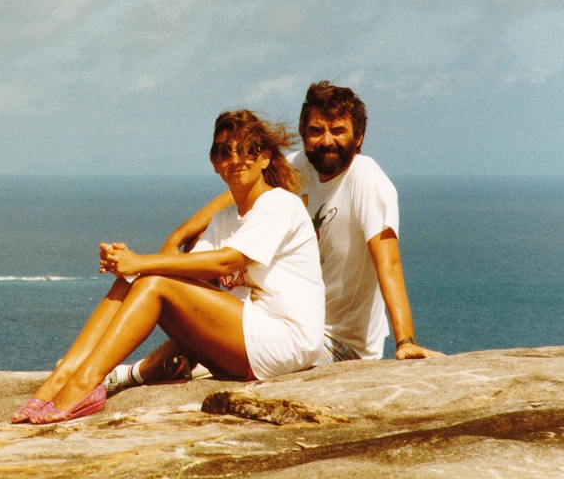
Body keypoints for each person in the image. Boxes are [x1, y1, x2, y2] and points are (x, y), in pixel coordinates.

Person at [113, 82, 441, 390]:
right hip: (284, 319)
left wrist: (405, 341)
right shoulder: (301, 166)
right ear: (304, 134)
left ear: (358, 137)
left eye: (338, 130)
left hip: (338, 344)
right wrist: (178, 236)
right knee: (197, 317)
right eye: (316, 131)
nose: (327, 140)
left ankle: (127, 375)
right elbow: (240, 192)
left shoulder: (366, 180)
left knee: (200, 347)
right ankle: (127, 375)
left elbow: (390, 262)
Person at [11, 110, 324, 424]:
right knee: (138, 278)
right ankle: (64, 375)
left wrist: (141, 261)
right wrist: (129, 266)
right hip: (243, 341)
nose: (235, 158)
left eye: (248, 150)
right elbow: (188, 268)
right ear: (215, 164)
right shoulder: (224, 219)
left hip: (283, 341)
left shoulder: (280, 204)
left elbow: (226, 261)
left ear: (265, 158)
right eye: (223, 151)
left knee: (152, 280)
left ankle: (84, 383)